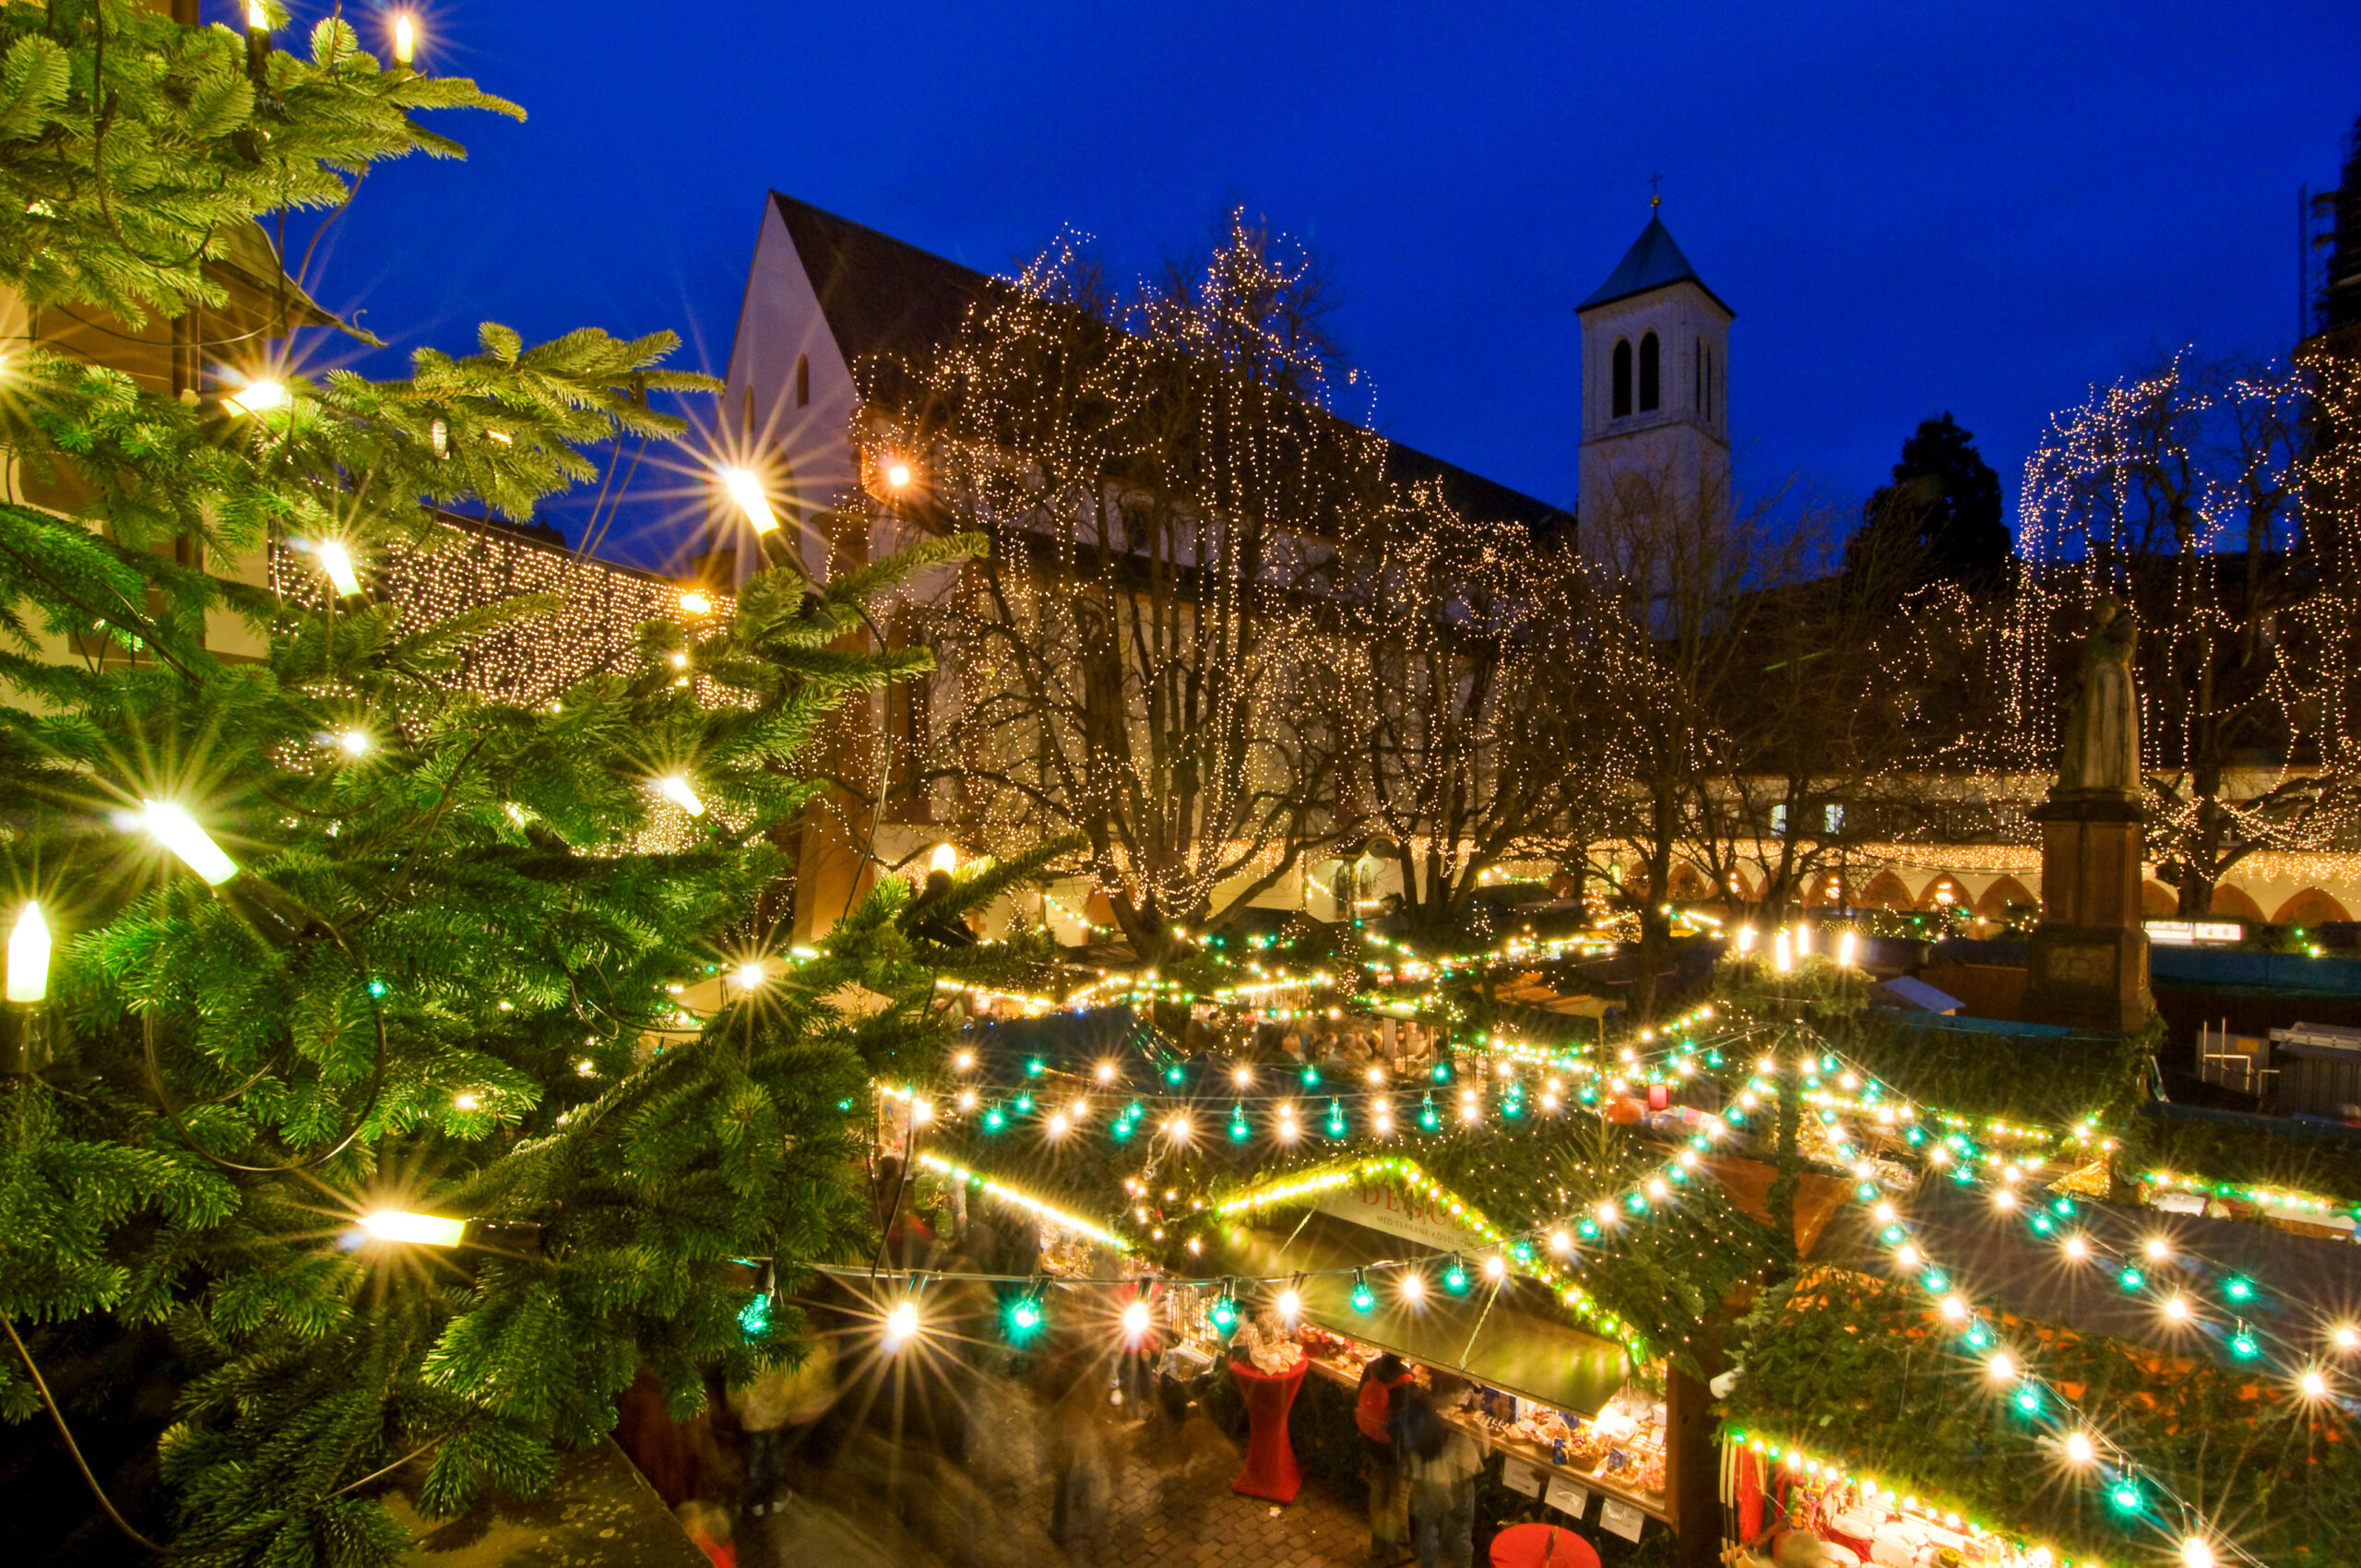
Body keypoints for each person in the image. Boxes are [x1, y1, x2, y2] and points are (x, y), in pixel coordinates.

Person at [1396, 1384, 1484, 1568]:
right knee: (1461, 1530)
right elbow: (1484, 1445)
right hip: (1459, 1477)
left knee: (1428, 1527)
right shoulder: (1457, 1417)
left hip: (1428, 1479)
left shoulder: (1417, 1409)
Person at [1356, 1352, 1414, 1562]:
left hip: (1371, 1439)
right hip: (1394, 1448)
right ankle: (1398, 1552)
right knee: (1399, 1498)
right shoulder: (1405, 1380)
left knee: (1378, 1490)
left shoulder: (1371, 1368)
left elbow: (1360, 1397)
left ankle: (1377, 1546)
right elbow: (1406, 1422)